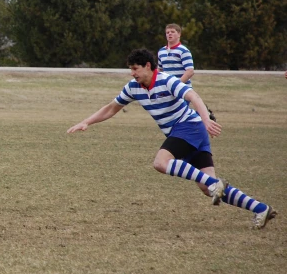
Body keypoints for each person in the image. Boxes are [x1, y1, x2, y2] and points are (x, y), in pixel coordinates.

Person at [67, 48, 277, 230]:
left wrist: (205, 120)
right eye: (130, 69)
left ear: (148, 66)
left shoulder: (167, 80)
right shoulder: (133, 87)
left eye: (135, 69)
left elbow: (193, 96)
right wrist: (87, 122)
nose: (132, 73)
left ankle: (216, 185)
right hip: (189, 134)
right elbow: (112, 108)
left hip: (190, 128)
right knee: (207, 188)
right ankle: (260, 209)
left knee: (161, 162)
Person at [158, 23, 216, 121]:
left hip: (182, 88)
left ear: (179, 34)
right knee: (173, 115)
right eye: (167, 32)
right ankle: (204, 112)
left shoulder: (184, 51)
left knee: (180, 115)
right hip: (168, 89)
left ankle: (204, 114)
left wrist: (177, 84)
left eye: (172, 32)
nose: (169, 34)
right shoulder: (161, 51)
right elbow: (159, 70)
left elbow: (190, 71)